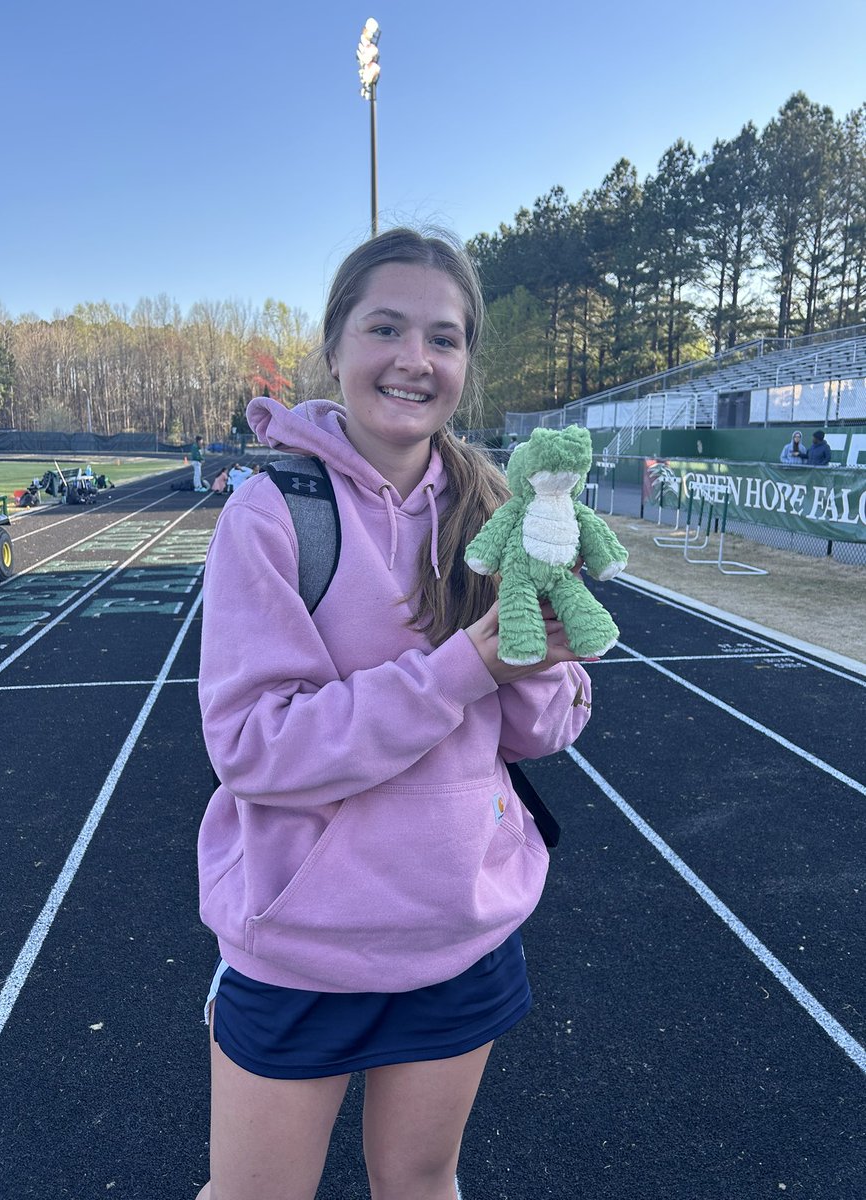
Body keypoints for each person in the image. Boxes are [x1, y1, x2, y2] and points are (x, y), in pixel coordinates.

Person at [195, 228, 594, 1200]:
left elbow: (546, 729)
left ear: (467, 363)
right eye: (387, 327)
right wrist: (463, 667)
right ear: (335, 347)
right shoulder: (275, 512)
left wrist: (535, 658)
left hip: (458, 932)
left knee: (420, 1186)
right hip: (303, 945)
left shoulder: (492, 505)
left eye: (444, 338)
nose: (415, 359)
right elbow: (254, 745)